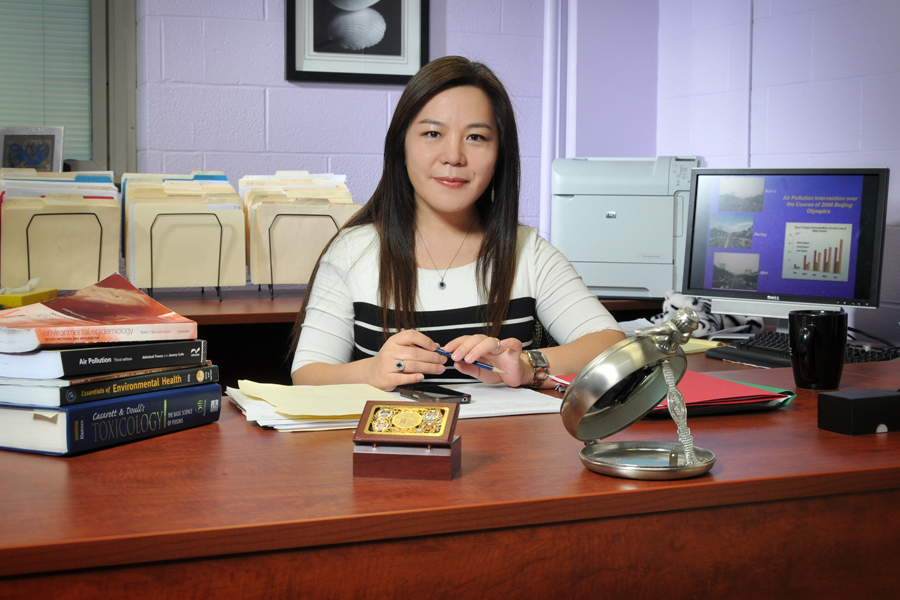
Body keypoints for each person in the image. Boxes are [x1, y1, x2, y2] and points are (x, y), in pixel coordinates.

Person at [289, 55, 624, 391]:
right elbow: (307, 376)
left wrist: (527, 365)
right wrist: (371, 372)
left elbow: (612, 345)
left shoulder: (529, 252)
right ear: (401, 145)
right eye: (432, 133)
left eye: (475, 137)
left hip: (511, 428)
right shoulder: (352, 251)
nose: (453, 156)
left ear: (499, 153)